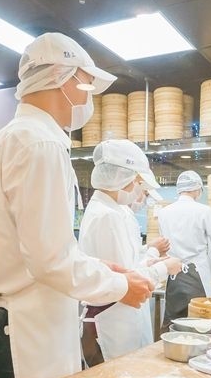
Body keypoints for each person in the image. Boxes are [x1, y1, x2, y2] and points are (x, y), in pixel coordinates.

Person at [0, 32, 153, 378]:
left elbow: (37, 247)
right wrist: (121, 287)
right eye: (86, 84)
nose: (87, 98)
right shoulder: (41, 144)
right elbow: (49, 260)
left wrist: (100, 266)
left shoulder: (13, 137)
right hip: (28, 343)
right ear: (64, 79)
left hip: (19, 330)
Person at [78, 140, 182, 363]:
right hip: (112, 323)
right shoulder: (107, 216)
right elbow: (124, 281)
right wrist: (165, 267)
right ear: (121, 178)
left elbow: (127, 267)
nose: (138, 191)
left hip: (122, 319)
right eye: (138, 183)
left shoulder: (113, 211)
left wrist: (149, 261)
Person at [158, 170, 211, 296]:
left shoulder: (164, 212)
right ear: (197, 189)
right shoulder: (204, 211)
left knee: (174, 314)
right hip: (198, 274)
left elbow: (163, 244)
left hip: (173, 272)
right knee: (199, 313)